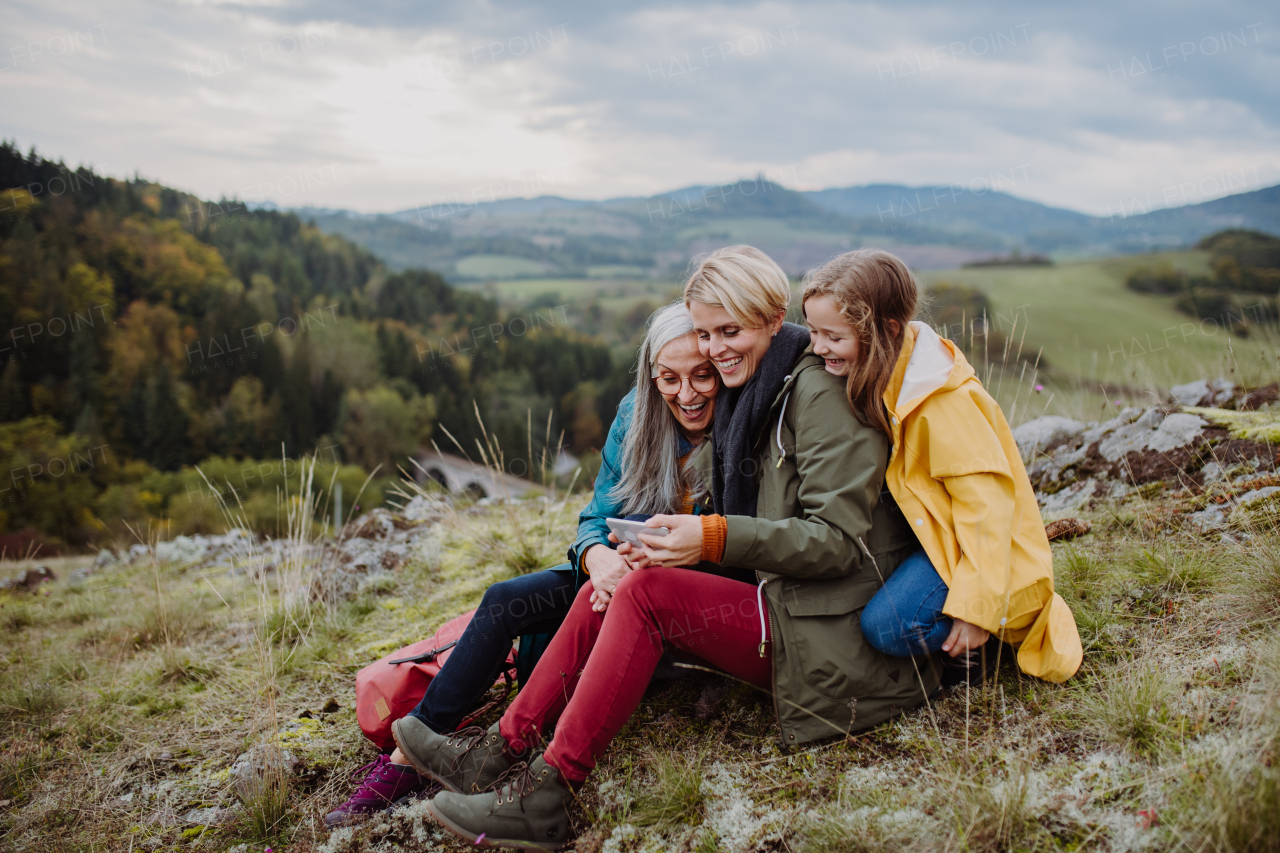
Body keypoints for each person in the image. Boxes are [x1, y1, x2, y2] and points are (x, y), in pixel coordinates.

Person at [420, 245, 929, 850]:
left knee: (649, 595)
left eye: (729, 331)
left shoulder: (817, 395)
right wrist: (662, 543)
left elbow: (841, 544)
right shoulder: (756, 391)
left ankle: (549, 792)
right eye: (707, 333)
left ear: (773, 318)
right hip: (783, 600)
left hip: (825, 630)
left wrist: (710, 537)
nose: (714, 349)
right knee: (613, 585)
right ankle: (502, 750)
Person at [324, 303, 720, 825]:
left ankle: (495, 758)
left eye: (701, 376)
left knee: (602, 603)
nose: (686, 394)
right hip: (618, 572)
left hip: (683, 593)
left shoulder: (739, 422)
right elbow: (596, 517)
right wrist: (598, 557)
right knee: (505, 599)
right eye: (669, 378)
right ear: (651, 376)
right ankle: (409, 759)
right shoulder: (638, 414)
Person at [801, 248, 1082, 683]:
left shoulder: (941, 404)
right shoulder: (884, 374)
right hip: (933, 533)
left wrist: (975, 610)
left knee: (889, 627)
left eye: (833, 337)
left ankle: (978, 644)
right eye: (812, 331)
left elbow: (987, 512)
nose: (818, 347)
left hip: (976, 548)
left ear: (889, 330)